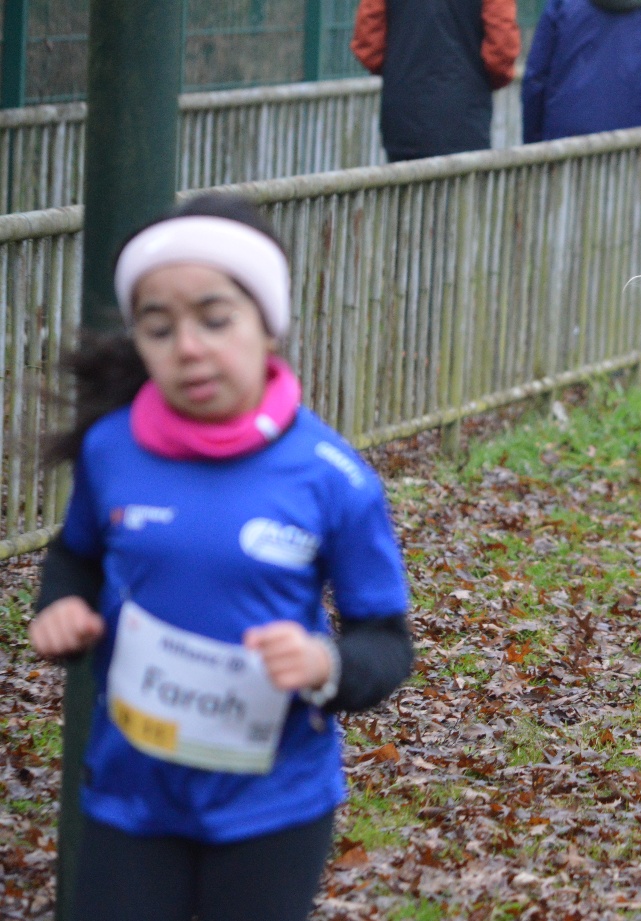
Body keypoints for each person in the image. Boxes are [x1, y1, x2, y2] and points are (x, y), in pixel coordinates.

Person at [28, 193, 414, 921]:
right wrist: (59, 608)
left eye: (215, 318)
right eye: (158, 327)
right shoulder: (113, 449)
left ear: (267, 324)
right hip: (130, 795)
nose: (189, 347)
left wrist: (327, 664)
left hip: (270, 804)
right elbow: (73, 557)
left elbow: (386, 643)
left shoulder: (334, 478)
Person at [351, 0, 521, 159]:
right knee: (460, 187)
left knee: (405, 185)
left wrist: (396, 71)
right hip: (464, 112)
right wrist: (482, 82)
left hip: (403, 112)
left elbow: (368, 44)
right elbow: (501, 49)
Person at [521, 0, 641, 144]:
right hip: (635, 146)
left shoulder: (562, 2)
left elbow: (536, 76)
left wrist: (535, 142)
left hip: (564, 143)